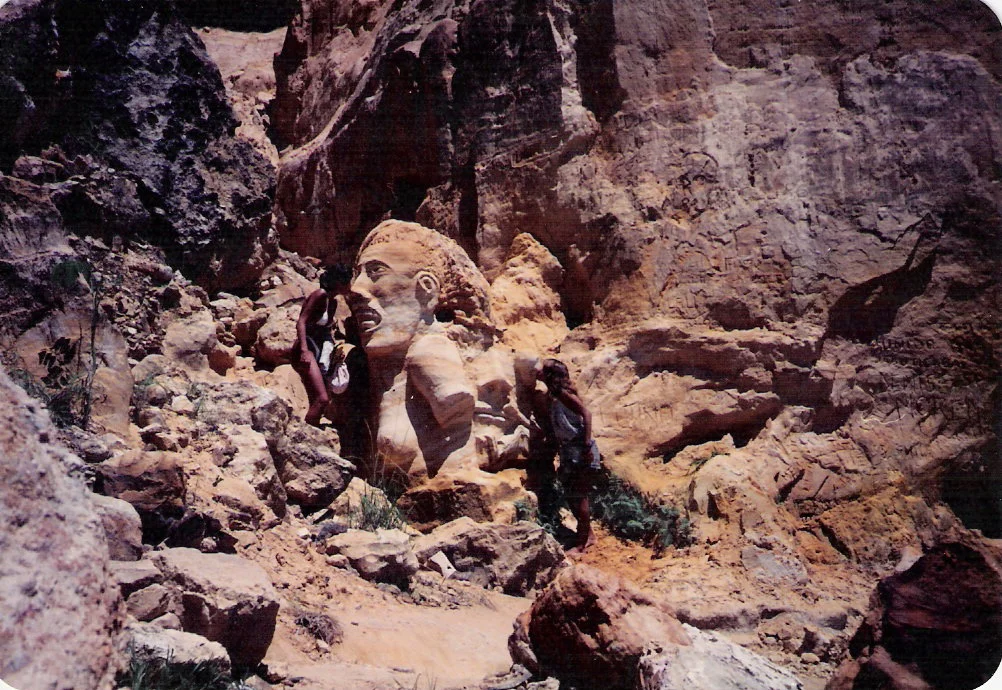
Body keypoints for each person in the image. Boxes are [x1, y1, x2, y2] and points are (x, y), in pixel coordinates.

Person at [539, 358, 600, 553]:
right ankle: (587, 535)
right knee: (573, 495)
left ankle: (583, 542)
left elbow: (586, 414)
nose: (539, 372)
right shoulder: (554, 396)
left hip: (579, 448)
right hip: (569, 449)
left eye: (544, 369)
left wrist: (586, 445)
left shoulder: (563, 394)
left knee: (579, 495)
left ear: (551, 375)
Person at [292, 264, 353, 426]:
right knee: (322, 398)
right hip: (308, 348)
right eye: (348, 281)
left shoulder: (332, 302)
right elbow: (301, 322)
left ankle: (315, 428)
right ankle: (306, 431)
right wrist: (304, 351)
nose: (350, 285)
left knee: (333, 392)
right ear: (339, 282)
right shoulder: (320, 295)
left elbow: (326, 330)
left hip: (321, 348)